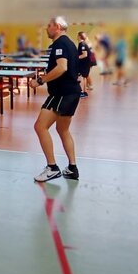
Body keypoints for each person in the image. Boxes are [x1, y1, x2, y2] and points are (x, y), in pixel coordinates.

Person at [29, 16, 81, 182]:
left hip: (62, 94)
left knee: (40, 126)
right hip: (72, 93)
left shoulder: (60, 43)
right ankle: (72, 168)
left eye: (49, 25)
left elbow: (62, 67)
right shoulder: (70, 43)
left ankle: (52, 168)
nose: (47, 28)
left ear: (57, 26)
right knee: (62, 130)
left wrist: (40, 80)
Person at [76, 31, 93, 98]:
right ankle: (84, 92)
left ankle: (83, 92)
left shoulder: (82, 44)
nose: (77, 37)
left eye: (77, 35)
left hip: (84, 63)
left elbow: (85, 54)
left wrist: (76, 58)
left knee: (83, 77)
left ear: (79, 36)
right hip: (84, 63)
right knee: (83, 77)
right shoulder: (81, 43)